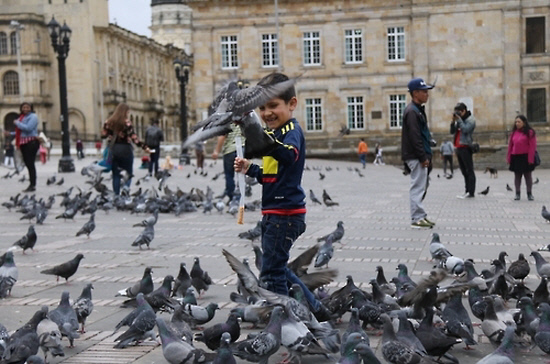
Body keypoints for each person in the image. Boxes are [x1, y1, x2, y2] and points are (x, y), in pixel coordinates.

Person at [234, 72, 333, 322]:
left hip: (285, 215)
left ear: (292, 104)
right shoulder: (275, 135)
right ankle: (316, 310)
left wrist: (263, 140)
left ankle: (287, 317)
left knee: (272, 270)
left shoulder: (291, 132)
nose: (267, 113)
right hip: (275, 213)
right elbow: (271, 173)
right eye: (262, 108)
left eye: (273, 106)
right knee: (275, 265)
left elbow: (289, 156)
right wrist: (249, 168)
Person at [401, 77, 436, 229]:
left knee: (422, 185)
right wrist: (422, 157)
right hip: (416, 156)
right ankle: (417, 218)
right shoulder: (412, 112)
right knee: (417, 186)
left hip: (419, 155)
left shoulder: (417, 110)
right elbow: (415, 137)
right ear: (415, 93)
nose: (427, 94)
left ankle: (420, 215)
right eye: (424, 91)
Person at [101, 103, 149, 195]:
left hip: (114, 150)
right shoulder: (127, 123)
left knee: (116, 174)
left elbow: (103, 135)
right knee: (128, 173)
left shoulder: (109, 122)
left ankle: (116, 195)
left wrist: (109, 132)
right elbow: (134, 138)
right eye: (128, 112)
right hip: (125, 150)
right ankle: (125, 189)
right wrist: (144, 147)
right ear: (125, 112)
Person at [507, 114, 537, 201]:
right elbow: (510, 146)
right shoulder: (513, 133)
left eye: (519, 122)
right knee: (517, 176)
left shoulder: (530, 133)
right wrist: (509, 157)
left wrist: (530, 159)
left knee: (528, 176)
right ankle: (517, 193)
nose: (517, 123)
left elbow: (532, 146)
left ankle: (529, 193)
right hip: (516, 156)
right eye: (516, 122)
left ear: (524, 123)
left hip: (526, 156)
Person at [451, 102, 476, 198]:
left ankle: (471, 192)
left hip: (466, 147)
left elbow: (466, 130)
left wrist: (459, 120)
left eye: (459, 111)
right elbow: (452, 131)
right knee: (463, 171)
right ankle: (467, 190)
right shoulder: (460, 120)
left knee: (469, 170)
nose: (458, 113)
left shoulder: (470, 119)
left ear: (464, 111)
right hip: (458, 147)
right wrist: (453, 122)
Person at [212, 124, 243, 201]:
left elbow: (222, 137)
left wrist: (216, 151)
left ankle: (232, 196)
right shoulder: (243, 119)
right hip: (242, 149)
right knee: (241, 175)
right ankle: (239, 197)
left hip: (229, 150)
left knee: (229, 175)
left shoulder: (227, 121)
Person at [14, 102, 39, 192]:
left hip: (31, 142)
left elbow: (28, 128)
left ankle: (33, 184)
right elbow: (21, 133)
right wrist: (11, 133)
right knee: (28, 164)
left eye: (27, 107)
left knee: (30, 163)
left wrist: (17, 123)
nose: (25, 109)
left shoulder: (33, 117)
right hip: (23, 142)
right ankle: (32, 183)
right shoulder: (22, 117)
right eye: (24, 107)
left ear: (31, 108)